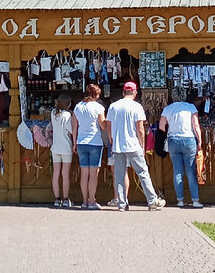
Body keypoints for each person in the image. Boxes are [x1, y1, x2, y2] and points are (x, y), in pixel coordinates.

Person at [105, 81, 165, 211]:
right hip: (133, 144)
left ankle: (121, 203)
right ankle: (152, 200)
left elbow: (108, 125)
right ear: (135, 92)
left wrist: (111, 139)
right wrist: (142, 145)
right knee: (143, 173)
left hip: (118, 145)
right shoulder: (137, 107)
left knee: (119, 175)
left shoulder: (113, 106)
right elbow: (140, 129)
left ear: (123, 92)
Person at [159, 87, 202, 208]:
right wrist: (199, 141)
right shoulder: (191, 107)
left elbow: (162, 126)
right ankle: (195, 200)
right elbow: (196, 125)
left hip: (173, 140)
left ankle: (180, 200)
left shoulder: (168, 109)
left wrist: (169, 131)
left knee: (177, 171)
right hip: (189, 139)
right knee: (190, 171)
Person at [72, 83, 106, 211]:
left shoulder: (77, 107)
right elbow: (103, 126)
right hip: (95, 142)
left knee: (84, 173)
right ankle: (92, 200)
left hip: (81, 142)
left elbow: (74, 127)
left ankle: (84, 201)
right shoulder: (98, 107)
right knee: (93, 174)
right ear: (96, 94)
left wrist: (74, 142)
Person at [50, 95, 74, 209]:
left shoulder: (53, 113)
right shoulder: (67, 115)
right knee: (65, 174)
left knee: (56, 173)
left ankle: (57, 198)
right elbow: (71, 130)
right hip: (66, 147)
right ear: (68, 104)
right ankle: (66, 198)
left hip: (55, 147)